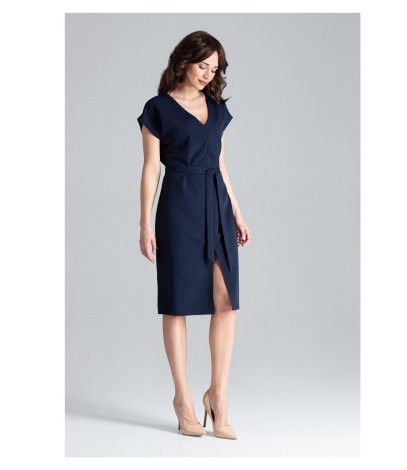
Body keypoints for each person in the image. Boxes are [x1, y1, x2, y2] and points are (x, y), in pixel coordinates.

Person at [137, 31, 250, 439]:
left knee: (226, 300)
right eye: (203, 65)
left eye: (214, 69)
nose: (207, 74)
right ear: (184, 60)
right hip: (179, 206)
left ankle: (218, 396)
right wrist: (144, 221)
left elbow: (221, 164)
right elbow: (152, 167)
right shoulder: (157, 109)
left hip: (216, 205)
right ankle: (183, 399)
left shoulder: (217, 110)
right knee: (177, 302)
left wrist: (236, 212)